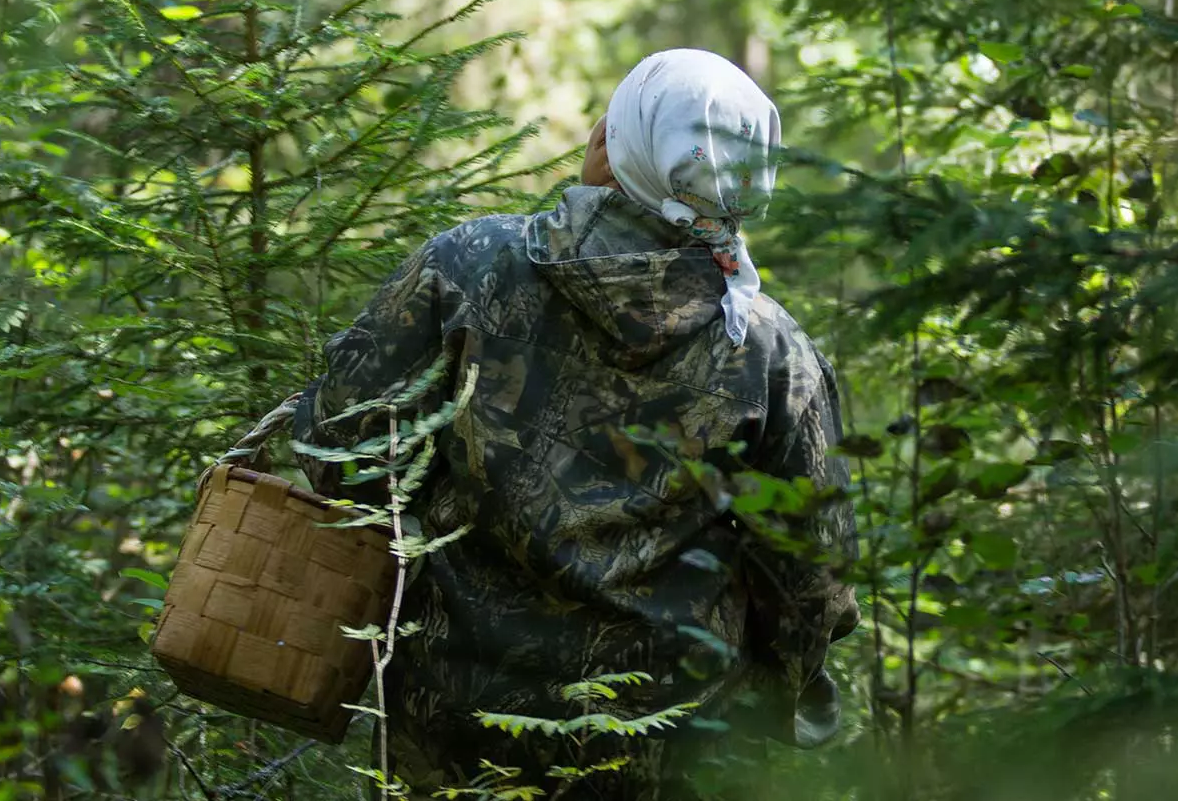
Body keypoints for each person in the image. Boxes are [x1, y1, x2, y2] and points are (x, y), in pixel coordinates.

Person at [292, 48, 858, 800]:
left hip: (449, 728)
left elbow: (339, 447)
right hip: (667, 751)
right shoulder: (768, 349)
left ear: (614, 147)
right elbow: (811, 582)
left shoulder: (467, 266)